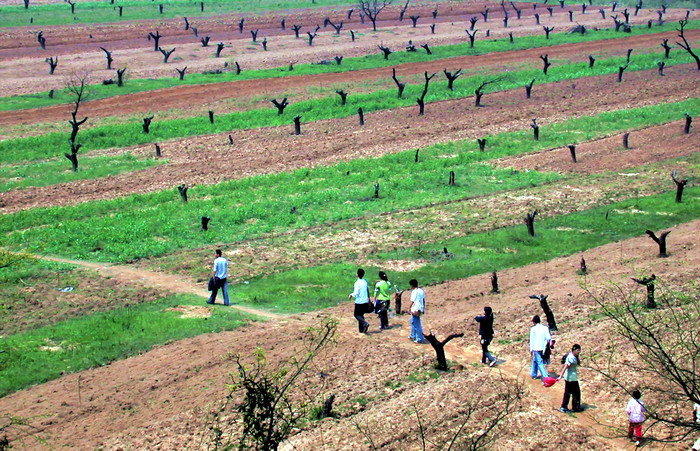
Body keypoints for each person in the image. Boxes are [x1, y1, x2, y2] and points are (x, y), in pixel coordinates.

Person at [558, 344, 583, 413]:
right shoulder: (570, 357)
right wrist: (560, 376)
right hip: (570, 378)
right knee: (571, 393)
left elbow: (578, 363)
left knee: (574, 393)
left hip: (573, 377)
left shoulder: (575, 356)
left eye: (579, 350)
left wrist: (577, 357)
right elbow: (565, 367)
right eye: (578, 350)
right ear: (574, 350)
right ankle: (564, 407)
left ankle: (574, 407)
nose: (579, 351)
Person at [529, 315, 551, 381]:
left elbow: (531, 340)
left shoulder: (533, 329)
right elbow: (548, 338)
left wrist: (531, 349)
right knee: (535, 360)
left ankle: (545, 377)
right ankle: (533, 374)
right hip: (543, 347)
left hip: (536, 348)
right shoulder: (545, 328)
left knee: (539, 362)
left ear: (534, 322)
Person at [349, 268, 370, 333]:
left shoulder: (357, 283)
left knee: (356, 315)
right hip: (365, 301)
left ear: (357, 274)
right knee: (361, 315)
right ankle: (362, 330)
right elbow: (367, 290)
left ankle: (364, 324)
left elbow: (356, 293)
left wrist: (351, 295)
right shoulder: (365, 281)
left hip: (359, 302)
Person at [408, 279, 425, 343]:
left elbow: (412, 301)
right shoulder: (421, 291)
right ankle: (412, 335)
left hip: (415, 308)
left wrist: (409, 309)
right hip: (420, 308)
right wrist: (423, 308)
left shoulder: (414, 292)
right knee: (412, 321)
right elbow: (423, 300)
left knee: (417, 324)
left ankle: (419, 338)